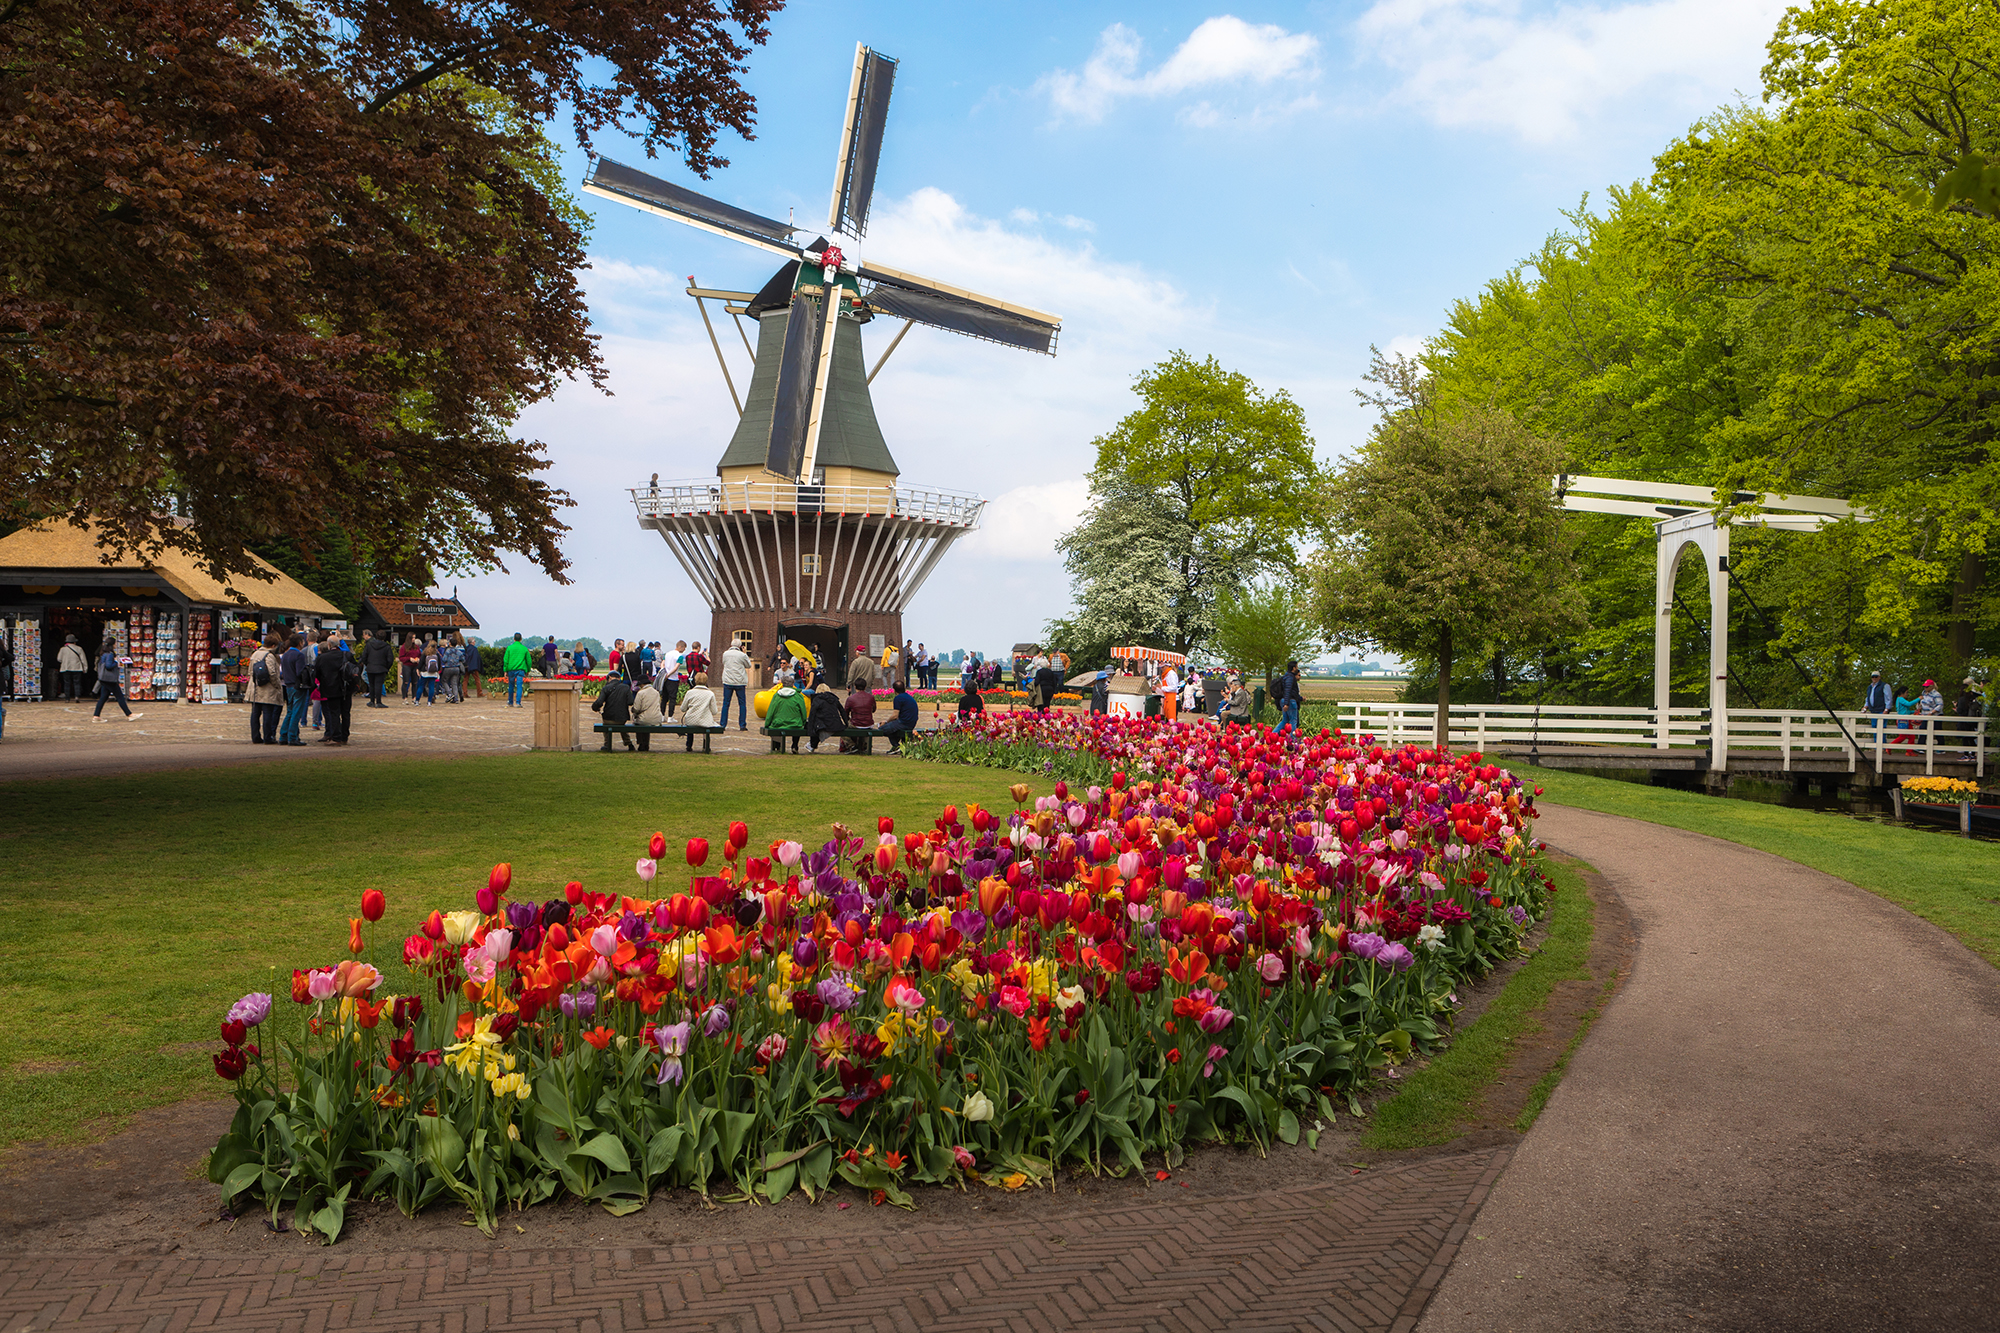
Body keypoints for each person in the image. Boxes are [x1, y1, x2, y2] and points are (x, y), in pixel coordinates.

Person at [313, 634, 355, 743]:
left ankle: (336, 736)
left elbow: (316, 673)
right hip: (346, 687)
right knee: (346, 712)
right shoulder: (347, 655)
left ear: (329, 645)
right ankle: (345, 735)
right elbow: (355, 669)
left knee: (334, 713)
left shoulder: (322, 658)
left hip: (330, 688)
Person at [246, 632, 284, 743]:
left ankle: (255, 736)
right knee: (268, 713)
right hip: (267, 689)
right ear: (273, 645)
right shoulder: (269, 656)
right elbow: (272, 673)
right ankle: (268, 737)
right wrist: (277, 685)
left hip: (255, 687)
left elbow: (250, 671)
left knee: (255, 713)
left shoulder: (255, 654)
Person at [90, 641, 141, 722]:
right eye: (115, 643)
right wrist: (117, 663)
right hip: (110, 680)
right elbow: (108, 665)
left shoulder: (103, 654)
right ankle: (129, 714)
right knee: (120, 696)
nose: (116, 644)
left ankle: (96, 716)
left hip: (104, 679)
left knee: (103, 697)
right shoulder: (110, 654)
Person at [276, 632, 310, 746]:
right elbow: (300, 672)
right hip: (297, 685)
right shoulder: (299, 655)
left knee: (290, 711)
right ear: (300, 643)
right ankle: (292, 736)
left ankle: (283, 735)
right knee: (296, 712)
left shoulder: (285, 654)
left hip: (288, 684)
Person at [765, 674, 810, 752]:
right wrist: (803, 722)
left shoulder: (776, 696)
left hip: (778, 723)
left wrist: (767, 724)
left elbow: (771, 711)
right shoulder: (798, 696)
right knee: (797, 725)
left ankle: (777, 746)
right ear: (793, 684)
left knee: (776, 726)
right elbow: (803, 711)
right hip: (795, 724)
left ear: (782, 684)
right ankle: (795, 745)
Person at [593, 671, 637, 751]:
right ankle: (629, 743)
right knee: (621, 726)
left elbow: (599, 702)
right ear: (619, 678)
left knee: (606, 725)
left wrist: (595, 708)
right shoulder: (625, 687)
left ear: (609, 677)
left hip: (608, 718)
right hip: (622, 718)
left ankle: (607, 744)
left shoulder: (606, 688)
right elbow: (630, 702)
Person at [675, 671, 719, 748]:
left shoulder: (690, 693)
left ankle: (689, 745)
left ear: (695, 681)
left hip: (690, 720)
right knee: (706, 724)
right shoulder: (710, 694)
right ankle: (706, 745)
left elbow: (683, 708)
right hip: (705, 721)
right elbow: (714, 711)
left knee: (691, 724)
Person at [719, 638, 753, 731]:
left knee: (726, 703)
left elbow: (723, 663)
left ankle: (723, 724)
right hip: (739, 681)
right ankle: (742, 725)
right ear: (740, 646)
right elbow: (748, 665)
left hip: (728, 681)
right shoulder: (742, 655)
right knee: (742, 704)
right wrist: (745, 653)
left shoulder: (725, 654)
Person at [880, 679, 920, 753]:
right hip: (911, 723)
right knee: (892, 728)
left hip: (904, 723)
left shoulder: (898, 698)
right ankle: (898, 747)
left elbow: (895, 715)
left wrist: (885, 722)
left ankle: (896, 746)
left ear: (895, 690)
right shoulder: (908, 697)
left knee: (882, 729)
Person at [809, 681, 848, 751]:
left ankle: (812, 745)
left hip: (822, 726)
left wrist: (810, 729)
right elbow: (842, 711)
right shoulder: (834, 699)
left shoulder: (816, 699)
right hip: (835, 724)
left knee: (816, 725)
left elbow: (812, 715)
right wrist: (846, 723)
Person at [361, 629, 393, 708]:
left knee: (371, 685)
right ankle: (378, 702)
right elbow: (390, 659)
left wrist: (368, 664)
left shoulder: (369, 645)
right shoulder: (386, 646)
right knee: (378, 685)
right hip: (381, 667)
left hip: (371, 667)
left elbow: (364, 656)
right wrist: (386, 667)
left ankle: (372, 701)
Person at [843, 678, 877, 752]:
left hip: (856, 723)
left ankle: (852, 745)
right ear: (865, 687)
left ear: (855, 687)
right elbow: (873, 709)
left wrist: (849, 719)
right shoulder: (871, 697)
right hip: (869, 723)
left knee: (842, 728)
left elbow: (845, 713)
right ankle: (864, 744)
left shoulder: (851, 698)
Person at [502, 632, 532, 707]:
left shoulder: (509, 648)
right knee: (519, 686)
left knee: (511, 686)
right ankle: (518, 702)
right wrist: (528, 670)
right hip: (520, 670)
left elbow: (506, 660)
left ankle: (510, 701)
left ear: (514, 639)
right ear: (521, 639)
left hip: (511, 669)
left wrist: (505, 670)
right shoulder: (524, 649)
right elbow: (529, 661)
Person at [1272, 659, 1303, 732]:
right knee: (1293, 721)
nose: (1297, 668)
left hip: (1285, 700)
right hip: (1290, 701)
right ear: (1293, 668)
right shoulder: (1290, 678)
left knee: (1285, 720)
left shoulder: (1286, 676)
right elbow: (1288, 690)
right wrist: (1286, 703)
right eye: (1296, 667)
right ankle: (1293, 739)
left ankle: (1273, 735)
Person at [56, 634, 88, 700]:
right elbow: (83, 659)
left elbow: (59, 659)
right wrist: (85, 668)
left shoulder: (62, 649)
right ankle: (77, 696)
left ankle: (67, 697)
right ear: (74, 642)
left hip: (66, 668)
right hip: (77, 668)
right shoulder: (79, 649)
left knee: (67, 683)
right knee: (77, 682)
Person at [661, 639, 687, 716]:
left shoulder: (667, 654)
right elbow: (676, 668)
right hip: (673, 678)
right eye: (684, 648)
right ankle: (670, 716)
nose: (684, 650)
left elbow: (662, 663)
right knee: (672, 698)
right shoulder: (680, 656)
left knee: (664, 698)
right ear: (680, 647)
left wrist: (664, 672)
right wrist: (669, 674)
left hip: (665, 679)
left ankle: (662, 715)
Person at [415, 639, 440, 704]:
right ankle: (429, 701)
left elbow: (421, 662)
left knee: (421, 686)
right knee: (431, 687)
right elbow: (439, 663)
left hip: (425, 672)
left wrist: (418, 669)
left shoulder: (425, 653)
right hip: (433, 673)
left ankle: (417, 700)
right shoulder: (436, 654)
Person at [396, 633, 420, 702]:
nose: (413, 639)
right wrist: (409, 658)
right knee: (406, 682)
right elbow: (401, 658)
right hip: (407, 665)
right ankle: (404, 697)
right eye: (412, 638)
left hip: (415, 666)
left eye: (414, 638)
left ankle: (414, 697)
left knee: (415, 682)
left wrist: (418, 659)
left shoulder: (416, 647)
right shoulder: (404, 647)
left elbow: (420, 655)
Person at [441, 635, 464, 703]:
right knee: (454, 683)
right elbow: (463, 659)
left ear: (450, 643)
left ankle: (449, 694)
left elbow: (444, 659)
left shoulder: (448, 651)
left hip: (448, 667)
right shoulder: (458, 651)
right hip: (456, 668)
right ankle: (456, 698)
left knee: (444, 681)